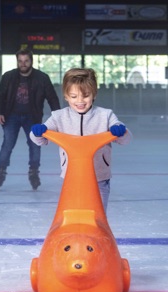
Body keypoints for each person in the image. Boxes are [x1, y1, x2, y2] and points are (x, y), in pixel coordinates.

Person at [29, 68, 132, 212]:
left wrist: (121, 131)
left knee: (97, 217)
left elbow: (125, 139)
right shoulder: (59, 117)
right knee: (73, 215)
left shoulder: (106, 115)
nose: (80, 101)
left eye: (85, 95)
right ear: (66, 96)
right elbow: (39, 140)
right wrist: (37, 132)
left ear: (94, 94)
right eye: (73, 96)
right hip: (71, 178)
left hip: (99, 178)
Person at [0, 49, 61, 191]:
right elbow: (0, 95)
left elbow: (52, 98)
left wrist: (58, 116)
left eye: (26, 61)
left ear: (31, 61)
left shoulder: (42, 78)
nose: (23, 64)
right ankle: (0, 171)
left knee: (35, 144)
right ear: (17, 61)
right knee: (8, 143)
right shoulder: (8, 77)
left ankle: (34, 172)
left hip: (33, 116)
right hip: (11, 116)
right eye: (20, 61)